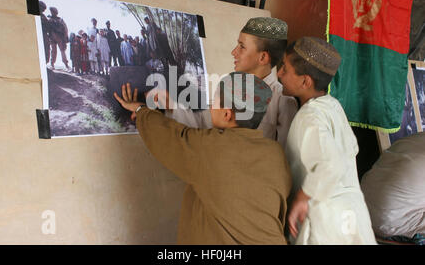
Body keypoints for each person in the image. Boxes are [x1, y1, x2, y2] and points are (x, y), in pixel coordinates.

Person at [113, 72, 292, 244]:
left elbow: (173, 138)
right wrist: (172, 106)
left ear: (227, 114)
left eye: (214, 101)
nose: (210, 105)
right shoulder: (274, 152)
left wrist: (140, 109)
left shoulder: (214, 148)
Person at [277, 37, 376, 245]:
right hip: (353, 216)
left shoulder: (310, 116)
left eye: (285, 69)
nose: (279, 74)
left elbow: (331, 165)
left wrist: (302, 198)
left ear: (305, 82)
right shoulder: (332, 106)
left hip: (327, 222)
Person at [166, 17, 298, 150]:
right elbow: (202, 122)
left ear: (263, 57)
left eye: (242, 47)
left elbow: (282, 154)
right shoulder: (228, 86)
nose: (233, 52)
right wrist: (170, 106)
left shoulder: (283, 100)